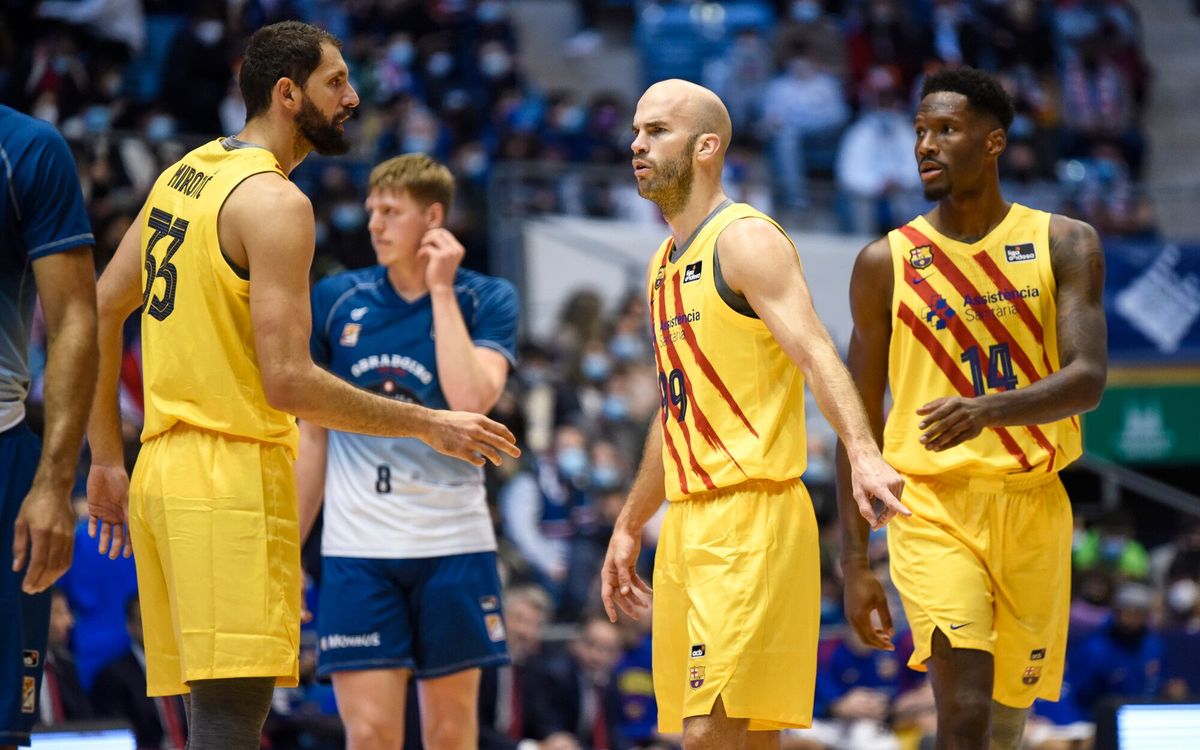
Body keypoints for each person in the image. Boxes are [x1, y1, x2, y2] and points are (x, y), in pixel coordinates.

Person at [84, 22, 519, 750]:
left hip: (164, 468)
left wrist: (104, 459)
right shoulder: (277, 203)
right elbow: (287, 383)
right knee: (228, 722)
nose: (353, 97)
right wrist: (426, 424)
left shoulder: (183, 174)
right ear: (288, 94)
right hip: (228, 472)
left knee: (211, 718)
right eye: (336, 83)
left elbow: (102, 305)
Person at [602, 79, 907, 750]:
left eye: (656, 131)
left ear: (706, 146)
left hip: (751, 516)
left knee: (708, 735)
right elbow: (675, 410)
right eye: (636, 131)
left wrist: (862, 451)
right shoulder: (660, 263)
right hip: (688, 521)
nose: (636, 144)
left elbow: (818, 352)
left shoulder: (744, 241)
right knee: (744, 738)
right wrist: (631, 522)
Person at [838, 66, 1107, 750]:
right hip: (932, 506)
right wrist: (854, 563)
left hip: (1033, 503)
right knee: (961, 709)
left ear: (993, 142)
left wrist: (992, 410)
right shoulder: (885, 262)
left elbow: (1088, 379)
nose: (926, 145)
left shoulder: (1064, 242)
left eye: (946, 130)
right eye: (919, 132)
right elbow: (857, 422)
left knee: (1006, 720)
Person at [295, 152, 518, 750]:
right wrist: (288, 550)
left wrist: (440, 292)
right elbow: (311, 433)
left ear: (434, 217)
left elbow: (472, 401)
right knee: (368, 735)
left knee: (450, 734)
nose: (375, 224)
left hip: (454, 546)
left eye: (391, 211)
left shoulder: (486, 298)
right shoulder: (336, 299)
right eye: (372, 210)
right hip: (356, 552)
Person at [1, 103, 98, 749]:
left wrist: (54, 482)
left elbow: (75, 325)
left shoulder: (26, 149)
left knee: (7, 723)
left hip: (5, 451)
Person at [91, 595, 189, 750]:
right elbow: (117, 737)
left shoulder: (180, 668)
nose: (154, 629)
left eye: (159, 621)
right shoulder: (113, 677)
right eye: (145, 622)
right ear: (130, 626)